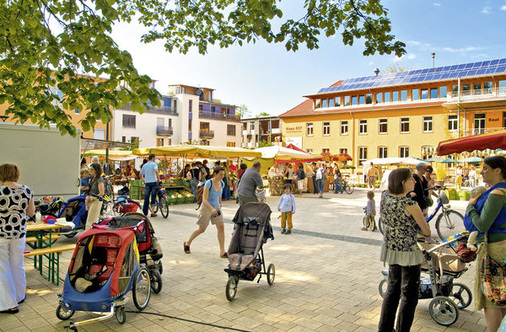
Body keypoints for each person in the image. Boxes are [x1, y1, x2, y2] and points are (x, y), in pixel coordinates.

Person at [378, 168, 432, 332]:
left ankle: (385, 328)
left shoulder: (385, 196)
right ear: (403, 182)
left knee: (392, 290)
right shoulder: (410, 205)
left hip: (391, 249)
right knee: (409, 295)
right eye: (411, 179)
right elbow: (426, 231)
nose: (415, 181)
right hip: (408, 252)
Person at [464, 156, 506, 332]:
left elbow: (482, 225)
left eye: (486, 168)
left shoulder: (497, 193)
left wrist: (470, 207)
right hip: (501, 247)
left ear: (498, 171)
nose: (482, 171)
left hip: (495, 250)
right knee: (502, 294)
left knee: (493, 297)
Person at [0, 163, 35, 314]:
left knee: (3, 268)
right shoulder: (27, 190)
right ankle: (19, 295)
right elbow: (31, 212)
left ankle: (8, 303)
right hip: (19, 233)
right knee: (17, 264)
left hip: (1, 234)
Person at [184, 166, 228, 258]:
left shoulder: (222, 183)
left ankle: (222, 251)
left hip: (216, 208)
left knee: (221, 228)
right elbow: (204, 199)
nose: (222, 176)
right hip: (206, 207)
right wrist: (212, 209)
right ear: (215, 174)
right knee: (202, 229)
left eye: (223, 175)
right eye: (220, 175)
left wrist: (219, 205)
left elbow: (219, 196)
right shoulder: (209, 183)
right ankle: (187, 243)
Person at [85, 163, 105, 229]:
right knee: (91, 218)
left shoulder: (99, 179)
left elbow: (101, 192)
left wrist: (94, 198)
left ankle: (88, 234)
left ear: (96, 170)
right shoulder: (93, 178)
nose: (91, 171)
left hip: (96, 200)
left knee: (91, 219)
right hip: (91, 198)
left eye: (92, 169)